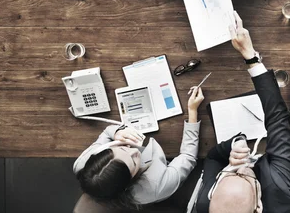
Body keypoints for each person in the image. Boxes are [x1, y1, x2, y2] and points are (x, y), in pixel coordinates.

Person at [195, 11, 290, 213]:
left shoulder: (207, 203)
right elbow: (277, 118)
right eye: (245, 176)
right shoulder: (281, 188)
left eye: (229, 174)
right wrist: (250, 57)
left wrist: (234, 144)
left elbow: (212, 158)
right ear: (258, 205)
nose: (240, 168)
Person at [73, 87, 205, 209]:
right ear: (130, 180)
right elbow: (188, 156)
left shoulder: (83, 164)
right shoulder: (157, 185)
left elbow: (107, 132)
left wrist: (116, 133)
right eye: (133, 161)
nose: (134, 149)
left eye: (121, 148)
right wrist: (192, 111)